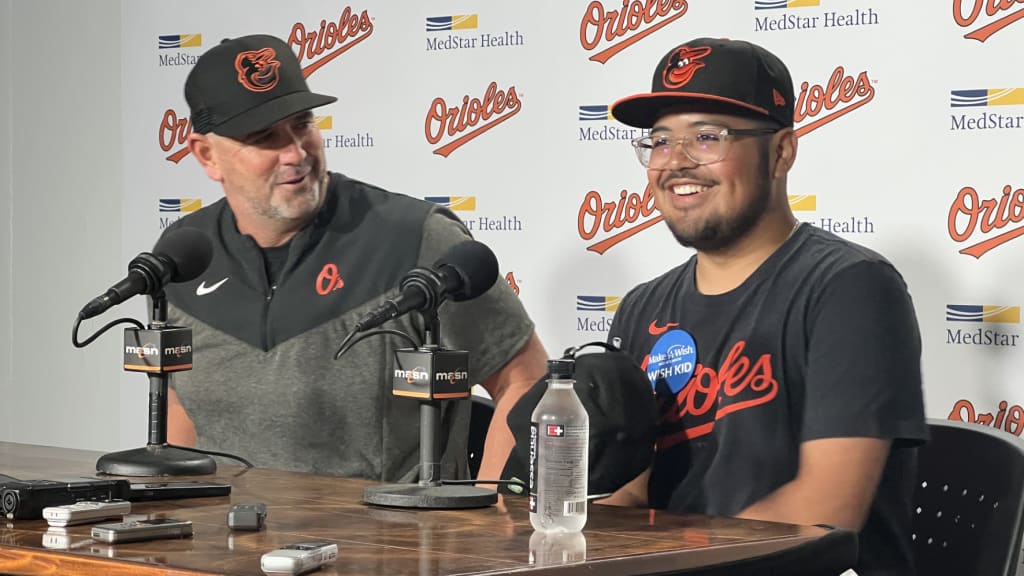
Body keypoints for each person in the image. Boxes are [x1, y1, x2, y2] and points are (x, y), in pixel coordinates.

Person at [600, 38, 927, 575]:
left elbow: (824, 510)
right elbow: (623, 496)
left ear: (782, 152)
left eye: (707, 137)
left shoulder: (851, 289)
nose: (676, 162)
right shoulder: (642, 308)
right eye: (660, 141)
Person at [159, 34, 548, 484]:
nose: (296, 154)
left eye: (302, 124)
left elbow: (526, 378)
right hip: (221, 548)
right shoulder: (185, 253)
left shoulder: (416, 239)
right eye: (264, 138)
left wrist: (489, 518)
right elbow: (181, 404)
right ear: (207, 155)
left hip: (392, 549)